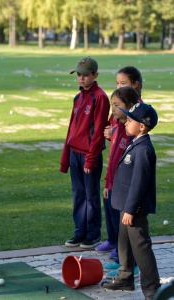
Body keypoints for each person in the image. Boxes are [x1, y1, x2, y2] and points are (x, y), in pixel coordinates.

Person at [101, 102, 161, 300]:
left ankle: (152, 289)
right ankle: (125, 278)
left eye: (130, 120)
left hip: (133, 209)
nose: (125, 123)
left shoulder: (143, 149)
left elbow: (138, 184)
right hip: (125, 206)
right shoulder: (135, 143)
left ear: (142, 126)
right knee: (124, 244)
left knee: (141, 247)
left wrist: (130, 210)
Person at [96, 66, 143, 277]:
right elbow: (114, 156)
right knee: (119, 224)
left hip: (128, 186)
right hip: (115, 181)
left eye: (116, 106)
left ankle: (131, 263)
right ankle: (122, 258)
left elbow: (135, 162)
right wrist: (108, 183)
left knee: (132, 228)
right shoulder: (119, 123)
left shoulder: (136, 124)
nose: (112, 110)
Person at [60, 56, 110, 249]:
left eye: (86, 75)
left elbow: (98, 131)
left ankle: (93, 234)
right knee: (78, 194)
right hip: (74, 154)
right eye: (79, 75)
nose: (81, 78)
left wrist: (90, 158)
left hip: (90, 155)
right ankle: (79, 232)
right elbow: (71, 130)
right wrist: (65, 159)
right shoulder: (77, 98)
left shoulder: (101, 97)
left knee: (91, 195)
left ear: (95, 75)